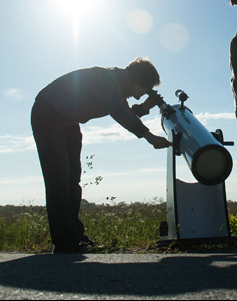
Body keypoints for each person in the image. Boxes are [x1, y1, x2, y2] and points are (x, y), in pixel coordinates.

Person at [31, 57, 171, 253]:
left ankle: (74, 235)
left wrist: (144, 108)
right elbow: (118, 111)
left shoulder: (118, 86)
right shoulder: (106, 79)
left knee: (72, 179)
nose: (142, 94)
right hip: (48, 113)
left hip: (67, 121)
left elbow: (125, 110)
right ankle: (64, 243)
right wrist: (149, 136)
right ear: (136, 81)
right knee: (59, 178)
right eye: (145, 88)